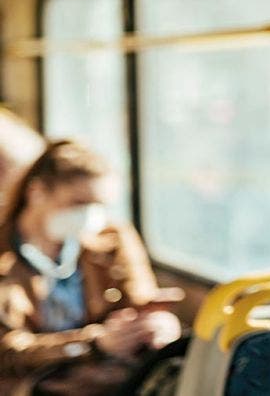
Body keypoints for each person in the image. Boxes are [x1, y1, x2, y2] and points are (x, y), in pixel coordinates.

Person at [0, 140, 183, 395]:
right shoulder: (6, 257)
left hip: (107, 376)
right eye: (78, 203)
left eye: (100, 205)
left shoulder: (112, 239)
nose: (90, 216)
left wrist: (153, 326)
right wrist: (93, 344)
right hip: (31, 383)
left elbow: (139, 300)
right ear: (36, 192)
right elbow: (7, 352)